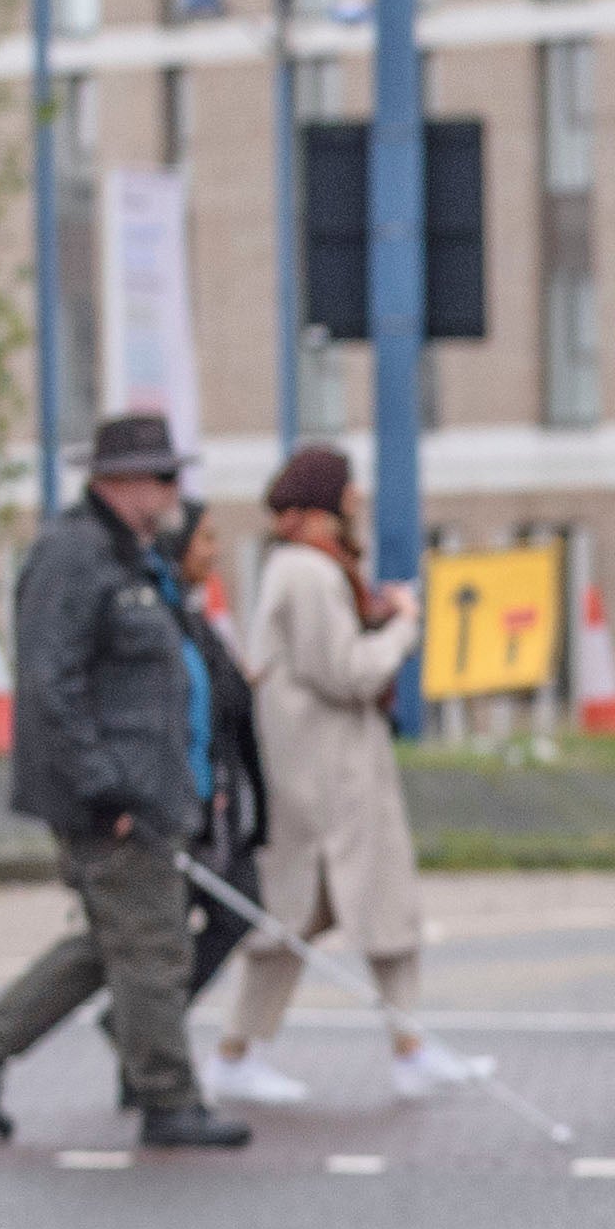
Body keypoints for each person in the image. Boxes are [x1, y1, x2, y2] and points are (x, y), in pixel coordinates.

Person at [0, 413, 253, 1153]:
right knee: (150, 945)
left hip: (149, 787)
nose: (175, 491)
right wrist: (103, 789)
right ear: (122, 481)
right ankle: (168, 1099)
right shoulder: (74, 557)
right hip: (114, 798)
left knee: (118, 943)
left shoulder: (131, 558)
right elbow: (52, 685)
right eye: (164, 476)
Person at [201, 445, 491, 1107]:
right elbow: (347, 671)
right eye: (345, 497)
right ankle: (257, 1052)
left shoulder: (305, 570)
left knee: (312, 919)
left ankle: (390, 1046)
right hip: (328, 782)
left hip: (321, 776)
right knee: (326, 916)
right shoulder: (308, 573)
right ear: (319, 509)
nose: (354, 506)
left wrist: (375, 617)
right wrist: (404, 631)